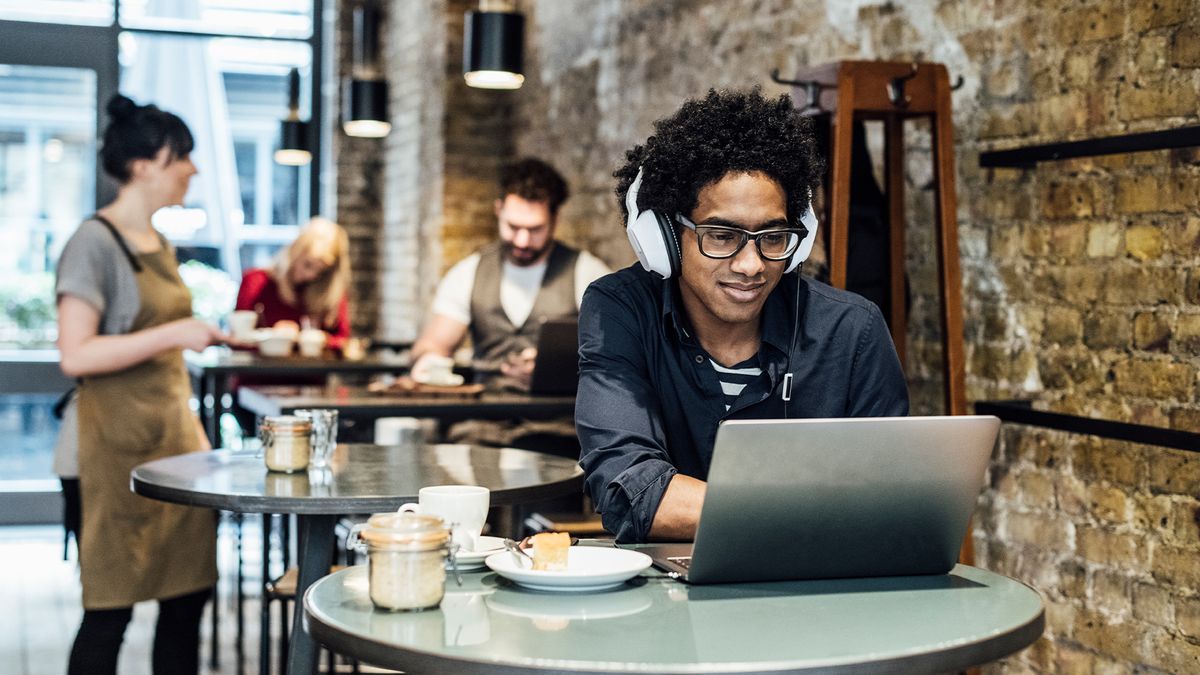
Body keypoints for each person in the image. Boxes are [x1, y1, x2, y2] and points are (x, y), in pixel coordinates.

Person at [576, 88, 910, 544]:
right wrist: (815, 510)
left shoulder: (853, 330)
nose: (750, 265)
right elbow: (630, 490)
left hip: (817, 595)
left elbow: (887, 498)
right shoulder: (621, 310)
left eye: (773, 236)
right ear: (667, 236)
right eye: (720, 234)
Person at [56, 94, 224, 675]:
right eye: (183, 157)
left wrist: (197, 435)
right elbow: (74, 353)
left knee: (188, 598)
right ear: (145, 164)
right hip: (111, 455)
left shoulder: (160, 243)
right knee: (110, 610)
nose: (192, 170)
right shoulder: (93, 242)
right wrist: (175, 331)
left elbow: (165, 366)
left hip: (174, 450)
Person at [412, 157, 610, 389]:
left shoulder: (587, 273)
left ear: (555, 220)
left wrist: (558, 367)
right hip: (482, 418)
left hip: (557, 418)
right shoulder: (468, 273)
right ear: (499, 211)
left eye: (535, 229)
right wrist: (428, 360)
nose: (522, 241)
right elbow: (433, 345)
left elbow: (615, 356)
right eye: (513, 227)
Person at [235, 216, 351, 349]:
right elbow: (238, 341)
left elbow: (343, 341)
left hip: (310, 369)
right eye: (307, 265)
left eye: (321, 272)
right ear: (295, 251)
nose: (311, 275)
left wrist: (317, 339)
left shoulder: (330, 291)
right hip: (264, 368)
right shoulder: (256, 281)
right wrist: (274, 337)